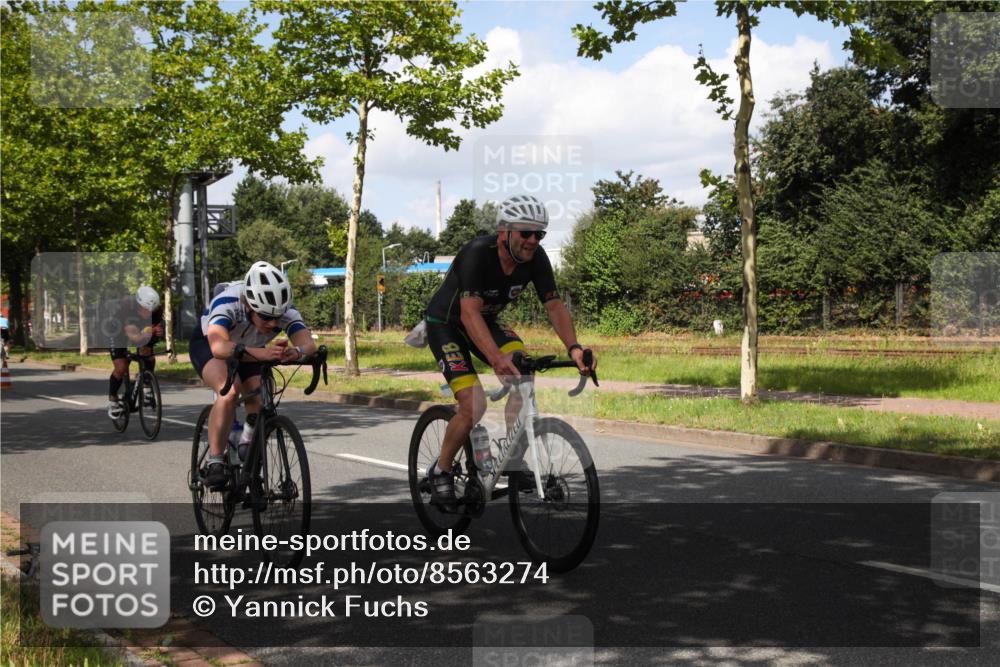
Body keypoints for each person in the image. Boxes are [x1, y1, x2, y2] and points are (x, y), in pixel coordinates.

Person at [423, 194, 596, 510]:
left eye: (539, 234)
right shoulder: (478, 254)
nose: (533, 240)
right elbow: (468, 313)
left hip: (485, 321)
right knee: (473, 404)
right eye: (525, 233)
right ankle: (441, 470)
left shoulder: (536, 258)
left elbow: (554, 305)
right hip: (447, 323)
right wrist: (495, 359)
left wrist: (574, 348)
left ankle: (514, 462)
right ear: (504, 232)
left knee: (523, 372)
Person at [190, 261, 316, 488]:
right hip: (211, 348)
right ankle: (216, 461)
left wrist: (294, 353)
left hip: (252, 351)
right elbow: (219, 347)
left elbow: (308, 344)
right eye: (266, 317)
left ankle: (247, 448)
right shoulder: (228, 302)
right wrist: (266, 354)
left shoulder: (281, 309)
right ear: (248, 304)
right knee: (229, 392)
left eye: (278, 317)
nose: (273, 323)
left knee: (259, 401)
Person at [106, 286, 163, 418]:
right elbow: (135, 337)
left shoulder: (156, 309)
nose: (150, 312)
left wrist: (158, 332)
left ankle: (147, 387)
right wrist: (149, 331)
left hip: (141, 329)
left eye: (152, 309)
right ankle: (113, 399)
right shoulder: (127, 310)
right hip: (119, 333)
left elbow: (154, 329)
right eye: (146, 309)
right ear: (138, 305)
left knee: (148, 354)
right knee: (121, 367)